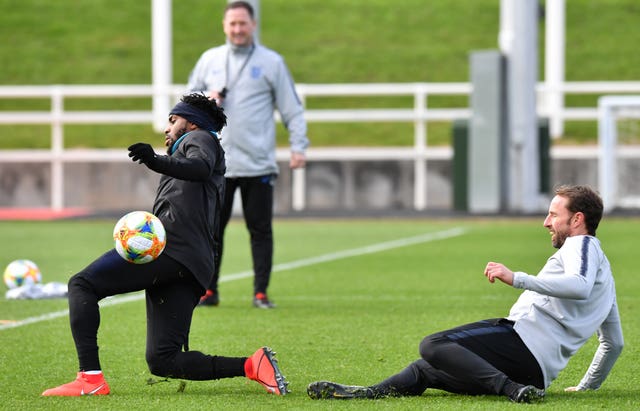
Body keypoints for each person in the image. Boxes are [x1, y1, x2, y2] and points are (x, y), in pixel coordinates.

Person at [41, 93, 289, 397]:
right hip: (193, 263)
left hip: (172, 251)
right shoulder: (195, 147)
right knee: (163, 360)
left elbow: (198, 167)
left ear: (192, 122)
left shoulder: (200, 138)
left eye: (173, 120)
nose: (166, 129)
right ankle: (253, 365)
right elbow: (194, 173)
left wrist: (154, 160)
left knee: (81, 284)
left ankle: (89, 379)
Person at [307, 185, 623, 403]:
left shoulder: (582, 245)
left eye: (554, 214)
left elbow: (578, 287)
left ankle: (509, 389)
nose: (546, 222)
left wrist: (517, 278)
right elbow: (613, 343)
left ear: (577, 219)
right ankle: (367, 393)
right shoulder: (606, 281)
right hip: (537, 373)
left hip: (520, 344)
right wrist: (585, 388)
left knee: (433, 344)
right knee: (424, 370)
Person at [187, 1, 309, 309]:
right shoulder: (210, 59)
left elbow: (291, 107)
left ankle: (260, 293)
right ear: (224, 26)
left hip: (258, 163)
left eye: (243, 23)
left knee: (260, 229)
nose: (238, 29)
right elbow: (187, 101)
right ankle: (208, 290)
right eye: (233, 24)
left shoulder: (271, 62)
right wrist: (207, 100)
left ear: (253, 25)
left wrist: (299, 145)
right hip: (218, 163)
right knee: (212, 229)